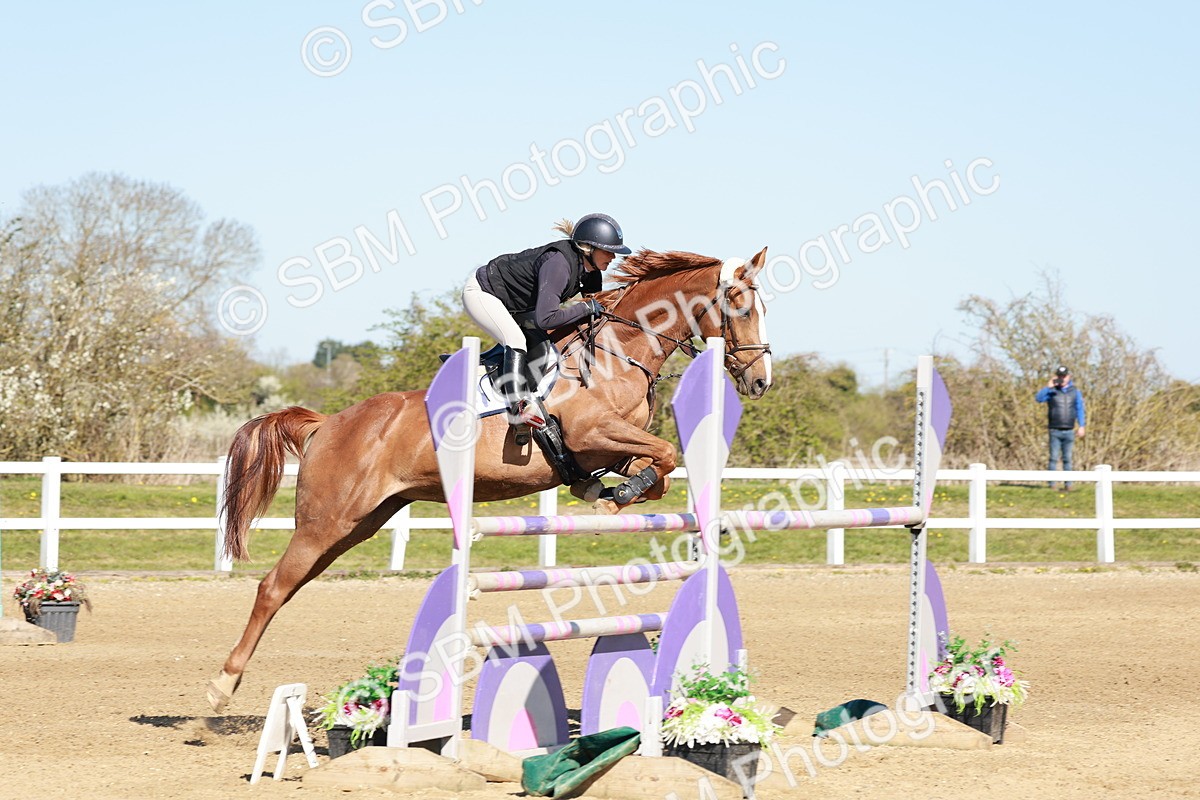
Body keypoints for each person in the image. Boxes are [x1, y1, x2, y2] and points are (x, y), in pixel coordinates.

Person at [461, 213, 631, 441]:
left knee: (542, 348)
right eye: (608, 251)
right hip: (484, 293)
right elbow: (547, 319)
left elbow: (594, 317)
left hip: (519, 305)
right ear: (588, 248)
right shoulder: (558, 263)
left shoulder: (592, 274)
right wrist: (585, 308)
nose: (612, 257)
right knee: (516, 340)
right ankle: (517, 411)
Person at [1035, 365, 1086, 490]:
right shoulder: (1052, 392)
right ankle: (1052, 484)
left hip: (1069, 430)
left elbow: (1079, 409)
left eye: (1064, 376)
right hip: (1054, 429)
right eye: (1060, 376)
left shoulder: (1075, 392)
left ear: (1069, 377)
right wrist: (1048, 387)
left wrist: (1081, 426)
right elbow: (1038, 399)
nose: (1062, 379)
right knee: (1053, 458)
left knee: (1067, 458)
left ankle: (1068, 484)